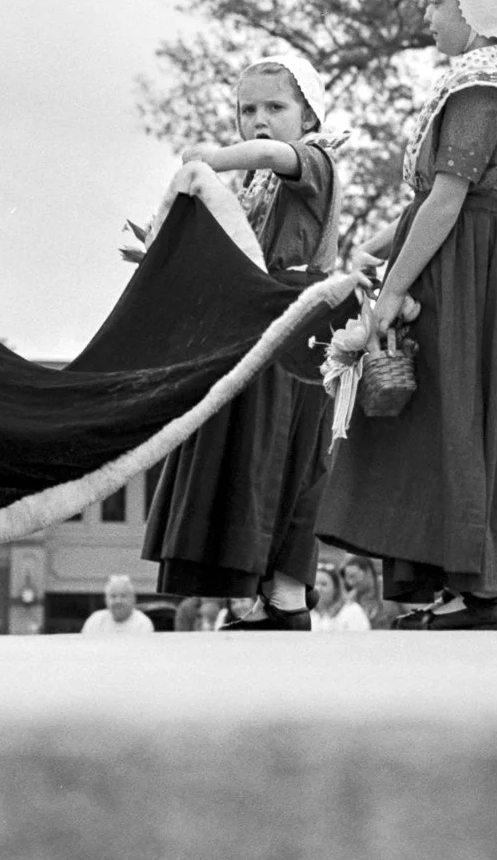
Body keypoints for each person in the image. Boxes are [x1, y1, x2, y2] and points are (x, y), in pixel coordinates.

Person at [317, 0, 497, 631]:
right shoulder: (486, 75)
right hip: (457, 251)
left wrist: (391, 291)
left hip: (466, 260)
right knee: (434, 415)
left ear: (474, 5)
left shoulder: (484, 87)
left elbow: (449, 200)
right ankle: (438, 580)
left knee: (457, 415)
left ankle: (475, 589)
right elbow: (434, 200)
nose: (426, 15)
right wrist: (377, 246)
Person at [143, 51, 343, 631]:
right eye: (246, 108)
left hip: (294, 319)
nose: (259, 119)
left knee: (287, 454)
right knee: (261, 457)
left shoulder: (314, 160)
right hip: (257, 320)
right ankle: (273, 596)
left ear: (308, 117)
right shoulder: (257, 189)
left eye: (275, 107)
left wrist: (214, 159)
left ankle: (285, 597)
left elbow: (270, 153)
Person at [81, 574, 155, 637]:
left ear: (133, 599)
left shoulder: (143, 623)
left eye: (123, 596)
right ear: (105, 600)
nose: (118, 601)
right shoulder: (95, 621)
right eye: (113, 596)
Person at [339, 553, 396, 630]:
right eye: (348, 578)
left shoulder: (391, 587)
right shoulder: (352, 599)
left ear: (368, 572)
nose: (351, 583)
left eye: (353, 576)